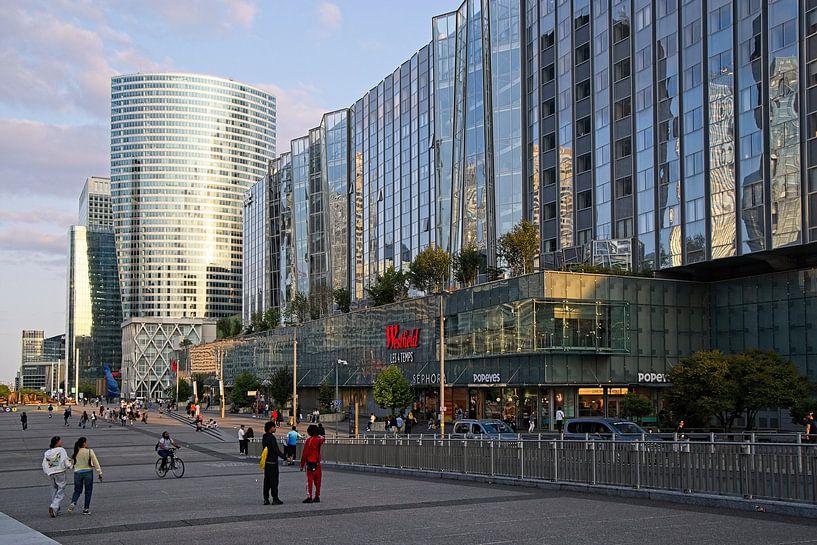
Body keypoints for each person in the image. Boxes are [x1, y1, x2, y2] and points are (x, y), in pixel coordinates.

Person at [68, 437, 102, 515]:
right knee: (88, 491)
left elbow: (72, 464)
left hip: (77, 473)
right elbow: (96, 462)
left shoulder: (76, 452)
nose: (87, 443)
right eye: (86, 442)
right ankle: (86, 509)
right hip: (88, 472)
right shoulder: (89, 451)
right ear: (84, 443)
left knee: (77, 490)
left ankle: (73, 502)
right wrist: (99, 473)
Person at [42, 436, 72, 517]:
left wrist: (47, 472)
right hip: (60, 472)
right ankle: (54, 506)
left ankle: (56, 509)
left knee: (54, 490)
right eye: (60, 441)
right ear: (57, 442)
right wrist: (70, 466)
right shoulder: (61, 450)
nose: (61, 442)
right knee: (61, 490)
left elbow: (44, 463)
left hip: (51, 473)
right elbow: (65, 460)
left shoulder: (47, 452)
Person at [261, 421, 286, 505]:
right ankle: (275, 498)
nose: (275, 428)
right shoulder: (272, 437)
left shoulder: (264, 436)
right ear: (270, 428)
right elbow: (276, 450)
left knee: (267, 481)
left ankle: (266, 499)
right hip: (272, 462)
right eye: (274, 427)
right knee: (274, 481)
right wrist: (285, 458)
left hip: (267, 462)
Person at [300, 424, 326, 503]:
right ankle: (317, 496)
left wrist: (302, 465)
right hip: (318, 463)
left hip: (310, 463)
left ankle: (309, 496)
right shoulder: (319, 440)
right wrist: (318, 434)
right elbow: (323, 438)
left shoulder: (309, 440)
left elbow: (305, 454)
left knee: (309, 481)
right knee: (318, 481)